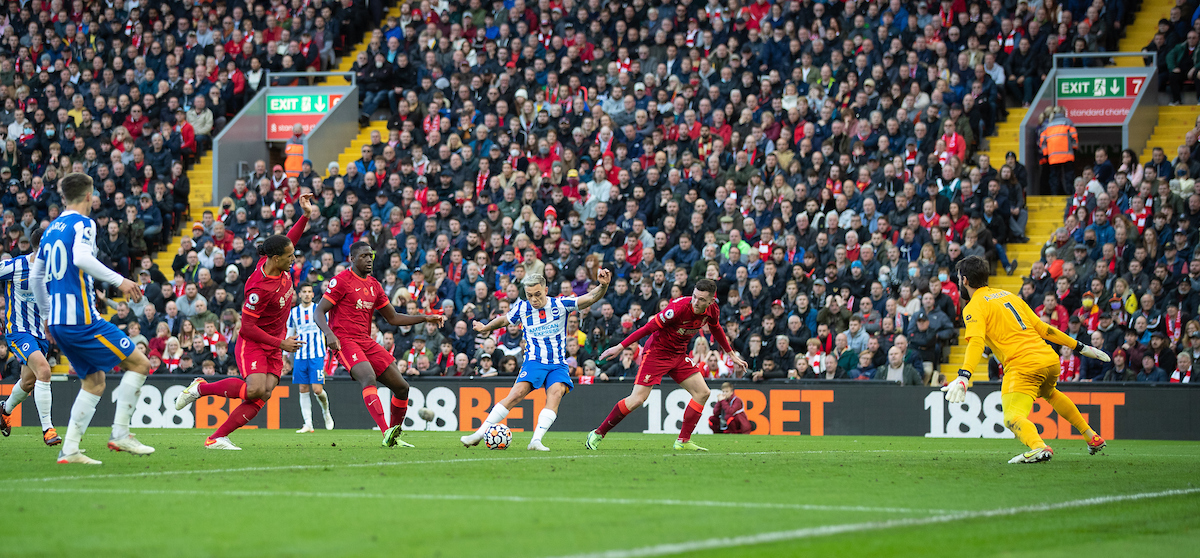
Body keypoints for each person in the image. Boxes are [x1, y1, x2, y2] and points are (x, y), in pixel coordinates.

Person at [174, 194, 316, 450]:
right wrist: (281, 343)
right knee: (253, 391)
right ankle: (201, 388)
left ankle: (216, 437)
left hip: (275, 342)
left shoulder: (276, 261)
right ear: (275, 258)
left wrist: (305, 215)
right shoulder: (258, 288)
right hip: (253, 341)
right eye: (289, 256)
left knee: (265, 392)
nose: (293, 258)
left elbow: (288, 240)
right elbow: (248, 328)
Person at [30, 173, 155, 464]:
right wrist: (120, 281)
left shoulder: (49, 230)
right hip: (82, 320)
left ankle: (70, 449)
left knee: (95, 381)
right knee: (140, 364)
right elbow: (81, 259)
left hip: (60, 322)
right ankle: (121, 433)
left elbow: (37, 277)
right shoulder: (83, 223)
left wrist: (48, 314)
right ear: (89, 195)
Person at [945, 256, 1111, 464]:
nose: (959, 281)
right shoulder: (1009, 296)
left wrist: (964, 375)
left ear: (965, 280)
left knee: (1011, 417)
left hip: (1022, 365)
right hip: (1049, 360)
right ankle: (1091, 436)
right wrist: (1079, 346)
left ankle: (1038, 447)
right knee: (1049, 392)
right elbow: (1044, 329)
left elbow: (977, 342)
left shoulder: (973, 307)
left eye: (960, 278)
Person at [586, 279, 747, 451]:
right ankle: (597, 433)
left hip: (678, 355)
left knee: (703, 392)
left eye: (701, 299)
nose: (695, 302)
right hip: (657, 353)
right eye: (694, 296)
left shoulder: (713, 310)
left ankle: (683, 441)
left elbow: (716, 328)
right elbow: (648, 328)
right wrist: (620, 346)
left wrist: (730, 353)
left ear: (711, 301)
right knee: (637, 400)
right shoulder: (677, 308)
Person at [462, 268, 612, 451]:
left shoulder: (561, 304)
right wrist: (486, 327)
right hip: (534, 361)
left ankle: (536, 441)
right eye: (530, 295)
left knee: (555, 395)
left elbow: (590, 298)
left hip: (557, 364)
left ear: (546, 290)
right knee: (516, 394)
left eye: (538, 294)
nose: (534, 299)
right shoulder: (522, 308)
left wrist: (603, 286)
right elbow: (503, 320)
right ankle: (478, 434)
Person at [315, 241, 447, 448]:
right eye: (364, 256)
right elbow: (318, 312)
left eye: (371, 256)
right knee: (368, 377)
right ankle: (385, 430)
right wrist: (329, 333)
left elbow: (393, 318)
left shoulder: (374, 285)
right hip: (345, 341)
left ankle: (393, 436)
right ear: (352, 259)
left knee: (402, 387)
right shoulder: (340, 281)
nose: (369, 259)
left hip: (366, 340)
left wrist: (425, 317)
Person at [0, 228, 59, 445]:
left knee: (28, 381)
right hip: (18, 331)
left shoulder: (55, 271)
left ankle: (4, 410)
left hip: (39, 334)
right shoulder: (16, 266)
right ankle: (48, 429)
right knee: (44, 370)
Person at [287, 283, 334, 433]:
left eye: (309, 292)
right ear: (299, 294)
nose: (307, 294)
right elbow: (290, 334)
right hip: (300, 355)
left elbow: (329, 329)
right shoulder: (294, 313)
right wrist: (284, 355)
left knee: (317, 389)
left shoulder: (319, 311)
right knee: (303, 388)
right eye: (304, 292)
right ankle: (308, 423)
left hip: (317, 354)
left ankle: (326, 412)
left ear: (313, 294)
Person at [1038, 107, 1079, 196]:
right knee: (1068, 176)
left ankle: (1054, 195)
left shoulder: (1048, 125)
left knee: (1054, 177)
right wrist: (1074, 149)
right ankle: (1070, 194)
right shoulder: (1067, 122)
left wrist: (1046, 154)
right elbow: (1074, 137)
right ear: (1063, 112)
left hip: (1053, 156)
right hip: (1067, 154)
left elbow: (1043, 141)